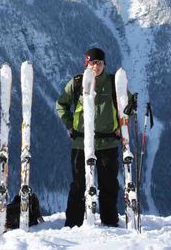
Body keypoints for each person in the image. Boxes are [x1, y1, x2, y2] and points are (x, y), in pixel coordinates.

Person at [55, 47, 121, 228]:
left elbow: (125, 105)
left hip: (107, 143)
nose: (96, 66)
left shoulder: (114, 82)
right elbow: (61, 105)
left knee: (109, 186)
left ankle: (110, 223)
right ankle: (73, 225)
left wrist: (122, 127)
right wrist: (70, 125)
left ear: (104, 64)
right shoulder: (77, 83)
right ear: (87, 63)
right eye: (92, 62)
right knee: (78, 185)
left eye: (100, 62)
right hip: (81, 144)